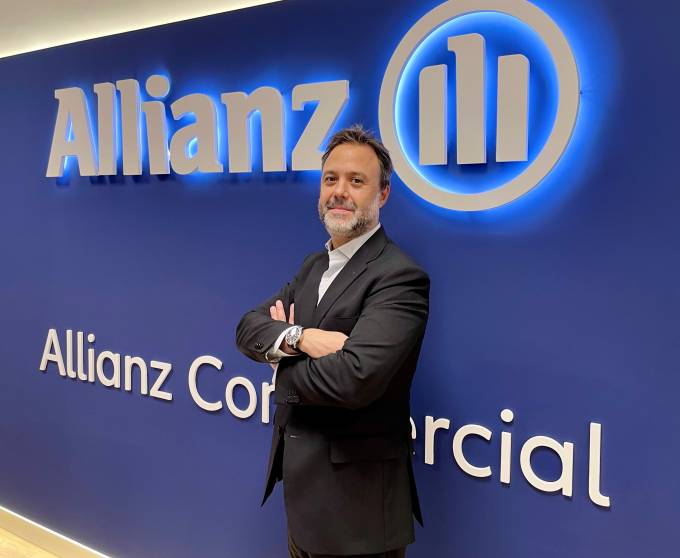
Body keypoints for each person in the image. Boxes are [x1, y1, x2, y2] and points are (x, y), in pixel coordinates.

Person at [235, 125, 430, 557]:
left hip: (357, 514)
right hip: (304, 498)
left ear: (382, 194)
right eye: (330, 179)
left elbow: (353, 379)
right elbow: (249, 328)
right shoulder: (313, 266)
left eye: (356, 181)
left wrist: (280, 365)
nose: (339, 191)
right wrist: (301, 337)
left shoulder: (399, 277)